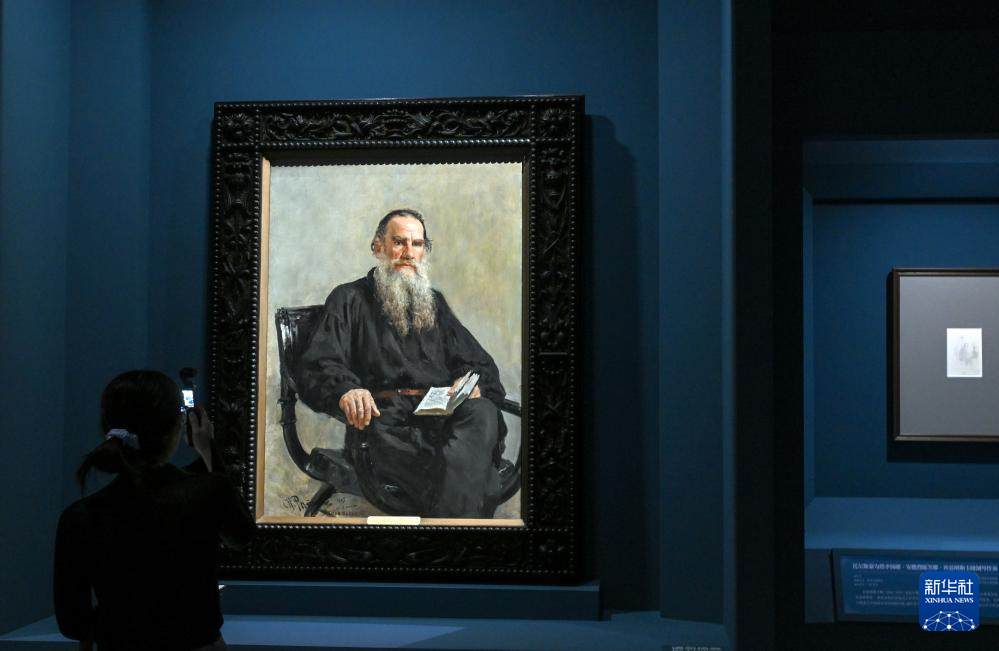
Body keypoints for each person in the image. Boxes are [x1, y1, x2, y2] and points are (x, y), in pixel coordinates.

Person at [293, 208, 508, 518]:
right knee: (472, 472)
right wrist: (347, 390)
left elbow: (477, 362)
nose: (409, 253)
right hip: (386, 424)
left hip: (443, 420)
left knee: (483, 411)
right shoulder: (348, 298)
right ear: (378, 247)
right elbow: (319, 362)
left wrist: (469, 382)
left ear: (424, 252)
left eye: (417, 244)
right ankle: (464, 528)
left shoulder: (434, 303)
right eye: (399, 242)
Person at [54, 370, 254, 651]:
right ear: (177, 427)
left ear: (107, 427)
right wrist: (208, 449)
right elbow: (241, 536)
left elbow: (73, 623)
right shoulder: (206, 492)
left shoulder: (80, 516)